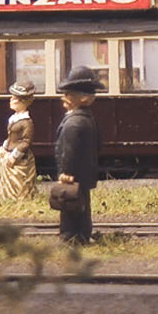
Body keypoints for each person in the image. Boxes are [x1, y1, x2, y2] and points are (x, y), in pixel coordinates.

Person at [54, 65, 103, 245]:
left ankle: (70, 235)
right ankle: (82, 233)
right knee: (82, 204)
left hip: (73, 175)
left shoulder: (74, 123)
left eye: (68, 94)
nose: (63, 98)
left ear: (82, 98)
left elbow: (68, 150)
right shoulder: (88, 119)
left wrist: (65, 171)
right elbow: (99, 145)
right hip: (84, 172)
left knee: (69, 205)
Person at [0, 80, 38, 200]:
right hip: (9, 153)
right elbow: (11, 136)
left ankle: (20, 198)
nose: (10, 100)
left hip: (19, 158)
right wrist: (4, 147)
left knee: (19, 184)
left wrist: (14, 156)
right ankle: (9, 198)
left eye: (14, 99)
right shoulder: (14, 118)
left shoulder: (26, 122)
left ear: (23, 102)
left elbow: (26, 142)